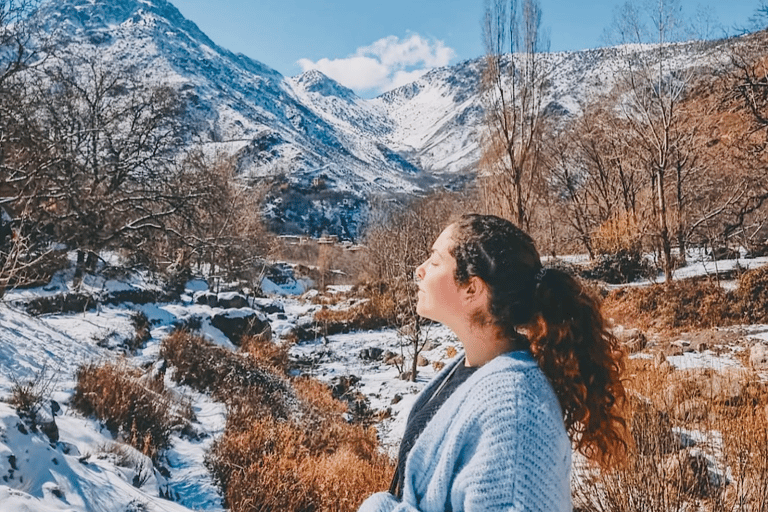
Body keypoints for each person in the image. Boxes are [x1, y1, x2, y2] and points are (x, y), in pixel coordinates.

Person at [357, 213, 629, 512]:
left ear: (472, 289)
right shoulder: (474, 367)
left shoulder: (514, 412)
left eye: (434, 262)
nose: (419, 271)